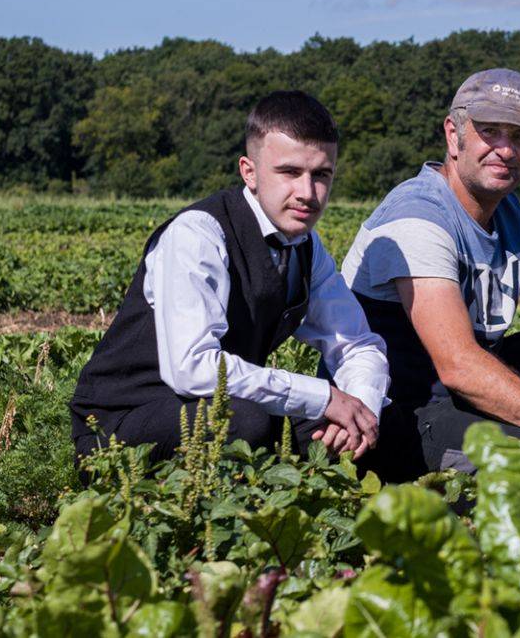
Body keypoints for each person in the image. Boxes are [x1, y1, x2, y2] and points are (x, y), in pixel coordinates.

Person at [69, 91, 388, 471]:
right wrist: (323, 396)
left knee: (346, 428)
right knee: (246, 423)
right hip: (124, 421)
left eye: (321, 175)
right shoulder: (198, 234)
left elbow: (357, 344)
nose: (307, 193)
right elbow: (194, 370)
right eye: (289, 172)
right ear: (249, 171)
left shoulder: (306, 246)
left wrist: (359, 408)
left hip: (219, 406)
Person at [341, 68, 520, 480]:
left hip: (463, 399)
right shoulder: (419, 215)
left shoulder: (511, 219)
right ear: (453, 135)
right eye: (490, 131)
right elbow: (458, 366)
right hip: (401, 416)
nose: (506, 149)